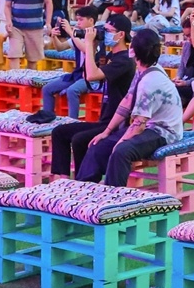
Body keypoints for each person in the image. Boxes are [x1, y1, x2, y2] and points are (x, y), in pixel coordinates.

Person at [74, 29, 181, 187]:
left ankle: (114, 198)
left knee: (121, 151)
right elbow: (127, 100)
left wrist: (121, 141)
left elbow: (139, 124)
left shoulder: (150, 81)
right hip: (148, 126)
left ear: (133, 51)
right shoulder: (144, 70)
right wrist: (107, 131)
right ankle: (82, 190)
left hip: (164, 132)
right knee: (98, 145)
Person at [50, 14, 136, 176]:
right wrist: (94, 44)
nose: (106, 34)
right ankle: (62, 180)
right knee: (60, 132)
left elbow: (91, 75)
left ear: (121, 35)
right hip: (104, 120)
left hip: (117, 124)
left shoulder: (124, 60)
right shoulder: (110, 56)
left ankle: (84, 181)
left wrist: (89, 43)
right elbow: (88, 73)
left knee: (80, 140)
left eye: (109, 31)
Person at [3, 0, 52, 68]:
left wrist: (48, 22)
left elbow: (48, 3)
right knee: (14, 55)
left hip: (35, 26)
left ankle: (29, 82)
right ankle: (14, 81)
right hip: (16, 26)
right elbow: (7, 5)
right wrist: (9, 21)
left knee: (32, 59)